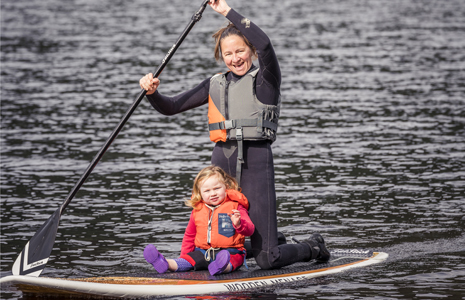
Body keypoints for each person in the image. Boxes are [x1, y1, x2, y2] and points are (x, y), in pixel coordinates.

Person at [140, 0, 330, 270]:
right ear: (221, 56)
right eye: (228, 54)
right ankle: (272, 239)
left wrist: (226, 10)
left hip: (256, 162)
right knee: (220, 243)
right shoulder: (215, 84)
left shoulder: (266, 79)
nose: (235, 58)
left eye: (240, 50)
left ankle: (311, 247)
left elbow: (265, 44)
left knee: (267, 260)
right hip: (222, 164)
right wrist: (151, 92)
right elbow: (171, 107)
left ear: (250, 50)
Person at [144, 165, 255, 275]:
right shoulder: (197, 210)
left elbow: (250, 230)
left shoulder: (236, 207)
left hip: (230, 252)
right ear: (200, 193)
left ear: (226, 187)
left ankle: (221, 267)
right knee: (188, 260)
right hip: (203, 252)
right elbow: (189, 236)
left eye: (217, 188)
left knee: (232, 261)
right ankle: (165, 263)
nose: (213, 194)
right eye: (207, 191)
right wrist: (185, 256)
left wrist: (239, 224)